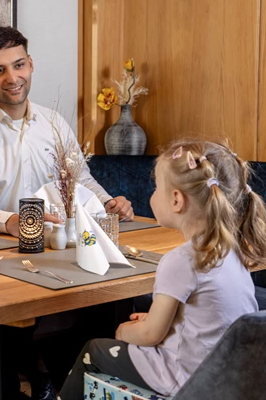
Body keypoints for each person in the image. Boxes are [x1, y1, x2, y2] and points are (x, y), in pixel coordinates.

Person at [58, 139, 266, 399]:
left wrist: (123, 332)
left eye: (157, 187)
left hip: (185, 379)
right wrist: (153, 320)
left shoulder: (182, 260)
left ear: (176, 200)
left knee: (95, 350)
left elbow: (150, 334)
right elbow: (207, 317)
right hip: (229, 378)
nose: (153, 194)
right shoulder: (233, 250)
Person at [0, 26, 133, 239]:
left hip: (61, 240)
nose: (13, 78)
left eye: (19, 65)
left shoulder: (54, 122)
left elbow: (81, 181)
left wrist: (108, 203)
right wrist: (10, 221)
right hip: (1, 246)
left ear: (31, 64)